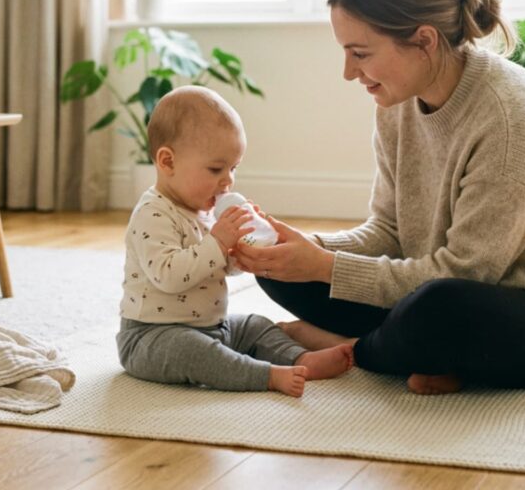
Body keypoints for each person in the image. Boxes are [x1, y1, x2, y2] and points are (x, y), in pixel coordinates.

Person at [234, 0, 525, 395]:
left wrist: (326, 266)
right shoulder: (396, 101)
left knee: (438, 309)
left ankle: (354, 348)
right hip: (437, 288)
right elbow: (390, 230)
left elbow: (468, 274)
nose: (348, 72)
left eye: (360, 53)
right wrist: (307, 250)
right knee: (281, 268)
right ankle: (421, 357)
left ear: (424, 41)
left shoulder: (512, 120)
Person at [116, 85, 354, 397]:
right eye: (216, 168)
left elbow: (219, 269)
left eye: (233, 168)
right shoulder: (153, 214)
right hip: (154, 337)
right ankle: (267, 375)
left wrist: (241, 248)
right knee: (194, 351)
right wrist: (217, 243)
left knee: (253, 325)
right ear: (168, 162)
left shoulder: (201, 210)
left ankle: (300, 358)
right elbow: (170, 276)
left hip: (212, 327)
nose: (228, 180)